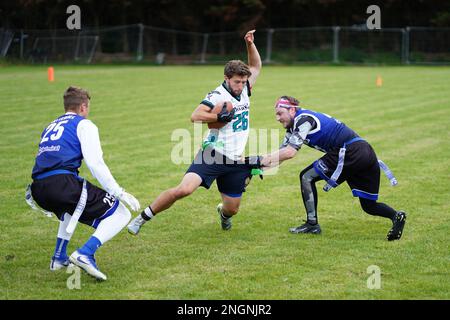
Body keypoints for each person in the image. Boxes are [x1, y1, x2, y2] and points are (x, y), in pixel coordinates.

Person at [128, 30, 262, 234]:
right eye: (237, 82)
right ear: (227, 78)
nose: (241, 85)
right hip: (213, 153)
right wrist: (218, 117)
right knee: (185, 189)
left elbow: (255, 66)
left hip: (236, 159)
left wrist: (250, 44)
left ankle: (223, 214)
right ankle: (142, 218)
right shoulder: (217, 95)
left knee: (232, 209)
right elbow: (196, 116)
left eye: (244, 82)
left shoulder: (243, 88)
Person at [28, 86, 140, 281]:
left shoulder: (51, 125)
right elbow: (95, 163)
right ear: (83, 107)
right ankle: (85, 253)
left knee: (70, 206)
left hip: (38, 188)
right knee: (121, 213)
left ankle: (59, 257)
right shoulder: (84, 124)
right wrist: (118, 192)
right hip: (61, 184)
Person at [257, 96, 406, 241]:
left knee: (306, 177)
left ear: (292, 110)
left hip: (350, 151)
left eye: (280, 113)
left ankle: (312, 224)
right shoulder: (293, 128)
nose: (277, 118)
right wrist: (257, 168)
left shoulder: (303, 119)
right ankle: (396, 216)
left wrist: (259, 159)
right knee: (368, 205)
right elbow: (281, 155)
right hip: (365, 152)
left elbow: (290, 153)